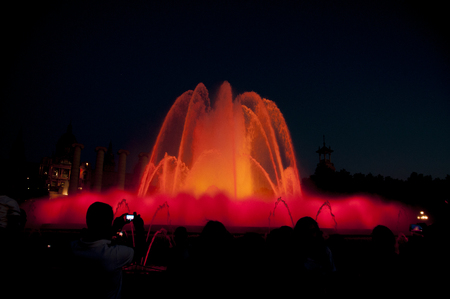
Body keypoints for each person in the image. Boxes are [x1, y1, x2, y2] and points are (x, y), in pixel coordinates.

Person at [69, 202, 144, 299]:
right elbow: (140, 252)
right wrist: (139, 227)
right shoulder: (112, 255)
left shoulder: (73, 247)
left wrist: (116, 226)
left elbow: (99, 235)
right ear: (107, 224)